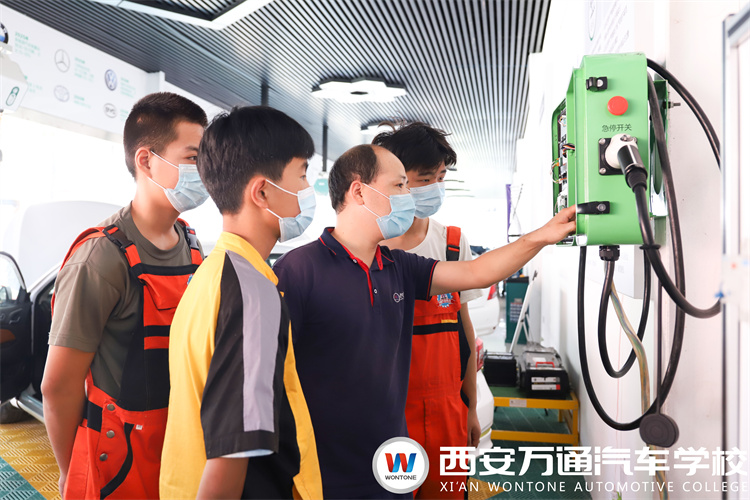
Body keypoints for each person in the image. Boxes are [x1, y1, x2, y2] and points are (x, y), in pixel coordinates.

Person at [273, 143, 576, 498]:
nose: (408, 196)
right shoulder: (299, 270)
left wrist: (542, 236)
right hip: (323, 464)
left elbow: (477, 272)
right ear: (359, 191)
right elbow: (272, 377)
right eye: (399, 185)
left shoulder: (398, 267)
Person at [42, 92, 209, 499]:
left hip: (180, 450)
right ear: (146, 160)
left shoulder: (193, 246)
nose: (204, 171)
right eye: (193, 158)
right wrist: (71, 471)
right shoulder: (100, 259)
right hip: (118, 466)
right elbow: (59, 386)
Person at [159, 106, 322, 500]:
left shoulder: (212, 272)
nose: (308, 191)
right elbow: (231, 453)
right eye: (302, 175)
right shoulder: (252, 293)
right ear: (262, 192)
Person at [374, 122, 482, 498]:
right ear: (396, 179)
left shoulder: (451, 243)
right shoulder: (369, 247)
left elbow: (464, 333)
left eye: (441, 177)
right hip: (387, 412)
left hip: (448, 410)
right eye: (425, 179)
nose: (436, 187)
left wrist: (470, 407)